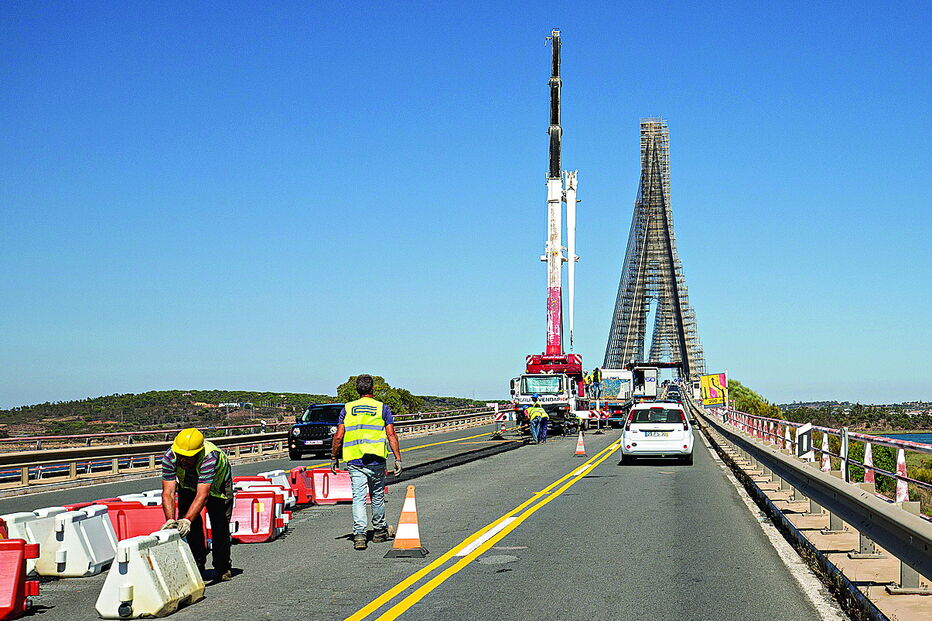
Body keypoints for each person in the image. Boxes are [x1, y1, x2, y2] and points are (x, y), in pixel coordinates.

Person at [330, 374, 403, 551]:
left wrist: (334, 457)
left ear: (357, 390)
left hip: (355, 461)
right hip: (377, 460)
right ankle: (379, 531)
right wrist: (398, 458)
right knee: (377, 496)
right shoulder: (382, 408)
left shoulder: (347, 408)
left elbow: (339, 435)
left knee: (359, 498)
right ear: (373, 389)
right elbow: (391, 435)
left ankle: (360, 536)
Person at [160, 428, 233, 582]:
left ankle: (222, 566)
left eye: (188, 457)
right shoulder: (169, 456)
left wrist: (187, 520)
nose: (183, 460)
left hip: (217, 485)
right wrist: (170, 520)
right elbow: (168, 492)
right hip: (188, 483)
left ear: (198, 453)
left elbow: (203, 494)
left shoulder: (210, 457)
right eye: (181, 456)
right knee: (188, 525)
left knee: (219, 523)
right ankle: (197, 564)